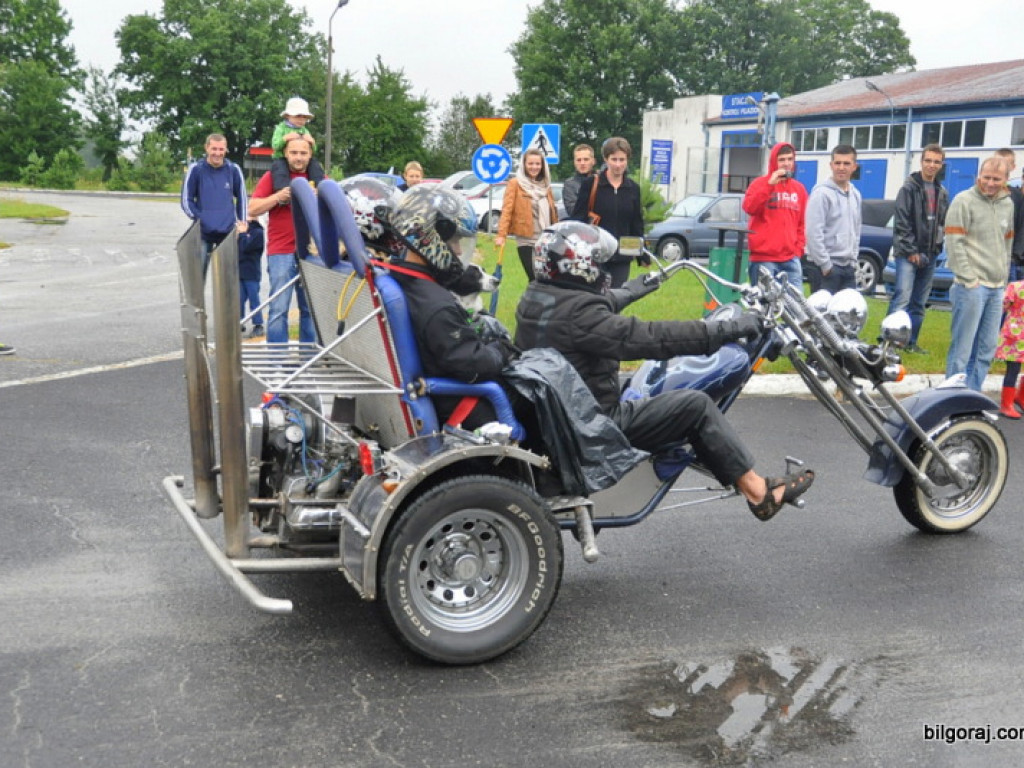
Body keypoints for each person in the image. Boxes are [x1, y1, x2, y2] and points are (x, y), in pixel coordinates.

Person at [514, 220, 815, 521]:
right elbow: (653, 338)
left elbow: (595, 305)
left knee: (648, 388)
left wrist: (639, 287)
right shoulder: (581, 317)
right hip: (592, 427)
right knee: (694, 406)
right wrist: (728, 329)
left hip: (562, 419)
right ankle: (760, 493)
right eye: (596, 261)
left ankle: (716, 458)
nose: (601, 267)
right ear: (578, 267)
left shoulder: (538, 296)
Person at [386, 186, 516, 429]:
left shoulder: (396, 277)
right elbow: (472, 365)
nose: (458, 250)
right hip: (456, 404)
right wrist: (502, 349)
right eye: (454, 240)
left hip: (427, 390)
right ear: (429, 238)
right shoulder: (437, 305)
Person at [945, 156, 1015, 392]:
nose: (990, 183)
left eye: (996, 179)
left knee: (986, 349)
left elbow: (1007, 244)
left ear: (1006, 180)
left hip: (996, 288)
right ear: (978, 176)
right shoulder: (963, 201)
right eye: (986, 177)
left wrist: (1003, 279)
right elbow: (954, 242)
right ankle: (952, 397)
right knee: (962, 349)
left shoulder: (1008, 204)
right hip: (971, 287)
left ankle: (972, 396)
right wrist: (969, 279)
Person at [247, 135, 317, 345]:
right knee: (278, 308)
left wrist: (318, 196)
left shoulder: (320, 178)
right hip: (281, 251)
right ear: (285, 153)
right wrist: (278, 197)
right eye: (294, 152)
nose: (298, 157)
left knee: (311, 309)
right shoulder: (272, 177)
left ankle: (309, 358)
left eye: (303, 153)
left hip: (312, 252)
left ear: (310, 155)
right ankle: (277, 358)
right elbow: (252, 209)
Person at [886, 144, 949, 354]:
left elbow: (941, 224)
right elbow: (902, 223)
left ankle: (910, 343)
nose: (932, 165)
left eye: (936, 162)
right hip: (908, 254)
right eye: (928, 160)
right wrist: (911, 251)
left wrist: (936, 249)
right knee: (902, 298)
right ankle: (890, 342)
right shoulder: (908, 188)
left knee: (919, 302)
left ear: (941, 165)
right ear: (921, 162)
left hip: (930, 255)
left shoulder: (942, 192)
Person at [570, 137, 645, 289]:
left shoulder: (633, 188)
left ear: (627, 160)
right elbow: (578, 220)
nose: (618, 165)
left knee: (616, 296)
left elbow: (636, 223)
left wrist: (642, 254)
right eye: (614, 159)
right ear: (606, 159)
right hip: (595, 253)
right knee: (596, 296)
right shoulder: (591, 184)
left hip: (622, 255)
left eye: (622, 160)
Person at [181, 133, 248, 280]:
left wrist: (242, 223)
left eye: (221, 149)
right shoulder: (196, 169)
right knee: (197, 278)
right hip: (202, 233)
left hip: (227, 233)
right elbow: (186, 200)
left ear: (226, 150)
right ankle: (197, 297)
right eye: (214, 149)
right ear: (207, 148)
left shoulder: (233, 170)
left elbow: (242, 198)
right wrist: (199, 218)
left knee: (226, 279)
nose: (217, 153)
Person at [742, 142, 808, 287]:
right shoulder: (759, 184)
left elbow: (802, 223)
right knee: (765, 300)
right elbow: (750, 208)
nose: (786, 164)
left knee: (795, 300)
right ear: (774, 162)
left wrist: (798, 250)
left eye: (790, 159)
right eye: (782, 160)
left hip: (790, 259)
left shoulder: (799, 189)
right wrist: (769, 185)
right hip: (764, 259)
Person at [494, 148, 558, 281]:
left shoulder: (546, 185)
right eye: (530, 163)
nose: (534, 167)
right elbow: (507, 210)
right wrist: (501, 235)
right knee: (534, 276)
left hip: (545, 238)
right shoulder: (515, 184)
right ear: (524, 165)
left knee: (546, 277)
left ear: (542, 166)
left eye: (537, 164)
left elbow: (553, 212)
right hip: (526, 238)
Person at [805, 144, 862, 293]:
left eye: (846, 163)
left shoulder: (856, 195)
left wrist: (853, 260)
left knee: (850, 308)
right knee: (823, 309)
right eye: (837, 163)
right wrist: (825, 265)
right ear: (831, 165)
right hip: (825, 268)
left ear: (854, 167)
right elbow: (813, 233)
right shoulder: (821, 194)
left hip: (848, 268)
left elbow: (856, 230)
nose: (841, 168)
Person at [270, 97, 326, 192]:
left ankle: (319, 187)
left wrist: (312, 142)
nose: (301, 119)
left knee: (315, 165)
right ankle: (284, 190)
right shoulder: (281, 128)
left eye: (304, 117)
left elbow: (313, 150)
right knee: (280, 170)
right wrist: (285, 139)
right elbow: (275, 145)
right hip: (282, 158)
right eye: (298, 116)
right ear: (288, 116)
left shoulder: (305, 130)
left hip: (303, 161)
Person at [994, 278, 1024, 418]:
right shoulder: (1015, 287)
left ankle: (1019, 397)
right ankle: (1006, 405)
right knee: (1013, 370)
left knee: (1014, 369)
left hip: (1016, 333)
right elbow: (1002, 307)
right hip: (1015, 336)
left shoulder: (1014, 286)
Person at [994, 148, 1024, 281]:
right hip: (987, 258)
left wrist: (1015, 256)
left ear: (1012, 167)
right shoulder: (982, 193)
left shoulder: (1017, 196)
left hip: (1009, 259)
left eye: (1005, 164)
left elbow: (1021, 227)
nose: (1001, 168)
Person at [238, 217, 265, 339]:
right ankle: (239, 321)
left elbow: (246, 247)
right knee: (239, 299)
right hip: (240, 271)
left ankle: (258, 324)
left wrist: (242, 234)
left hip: (252, 273)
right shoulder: (242, 231)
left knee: (254, 300)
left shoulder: (257, 232)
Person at [561, 143, 597, 218]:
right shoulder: (570, 184)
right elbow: (573, 211)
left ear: (593, 161)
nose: (582, 163)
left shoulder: (601, 180)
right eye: (579, 160)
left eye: (586, 159)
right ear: (574, 162)